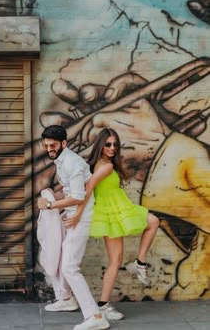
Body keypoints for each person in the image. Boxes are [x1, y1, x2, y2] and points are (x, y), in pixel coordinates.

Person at [64, 127, 160, 321]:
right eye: (108, 144)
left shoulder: (102, 164)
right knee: (117, 259)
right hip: (112, 213)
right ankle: (135, 268)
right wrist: (78, 214)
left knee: (117, 259)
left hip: (117, 210)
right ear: (100, 145)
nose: (112, 147)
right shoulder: (105, 166)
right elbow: (88, 189)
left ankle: (136, 267)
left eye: (115, 144)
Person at [37, 125, 110, 330]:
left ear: (63, 143)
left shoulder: (72, 162)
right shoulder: (60, 161)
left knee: (70, 266)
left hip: (81, 220)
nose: (49, 148)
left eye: (53, 145)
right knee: (60, 257)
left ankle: (96, 316)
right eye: (47, 145)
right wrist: (55, 195)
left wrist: (51, 204)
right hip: (70, 217)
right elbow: (72, 191)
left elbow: (78, 197)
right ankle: (67, 299)